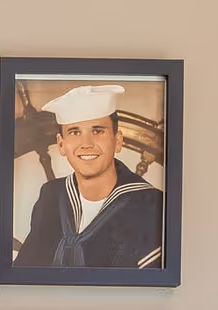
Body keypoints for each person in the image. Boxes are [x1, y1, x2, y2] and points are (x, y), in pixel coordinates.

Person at [13, 85, 165, 271]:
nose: (86, 144)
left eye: (98, 131)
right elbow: (26, 271)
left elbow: (153, 288)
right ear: (61, 144)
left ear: (118, 141)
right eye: (75, 132)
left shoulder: (151, 205)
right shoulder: (51, 196)